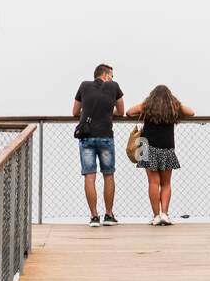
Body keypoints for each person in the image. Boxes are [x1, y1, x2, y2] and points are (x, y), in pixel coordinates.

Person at [126, 85, 195, 226]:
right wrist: (175, 104)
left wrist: (146, 105)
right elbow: (191, 112)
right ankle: (165, 214)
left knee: (153, 183)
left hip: (147, 146)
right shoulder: (173, 106)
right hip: (166, 146)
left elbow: (129, 112)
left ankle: (156, 216)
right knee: (166, 183)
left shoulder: (147, 105)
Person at [73, 64, 125, 227]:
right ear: (106, 75)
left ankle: (94, 217)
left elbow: (75, 112)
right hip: (105, 136)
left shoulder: (83, 85)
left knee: (89, 176)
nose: (112, 78)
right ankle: (108, 215)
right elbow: (121, 111)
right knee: (108, 175)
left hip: (87, 137)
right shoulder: (114, 86)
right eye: (112, 75)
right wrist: (108, 112)